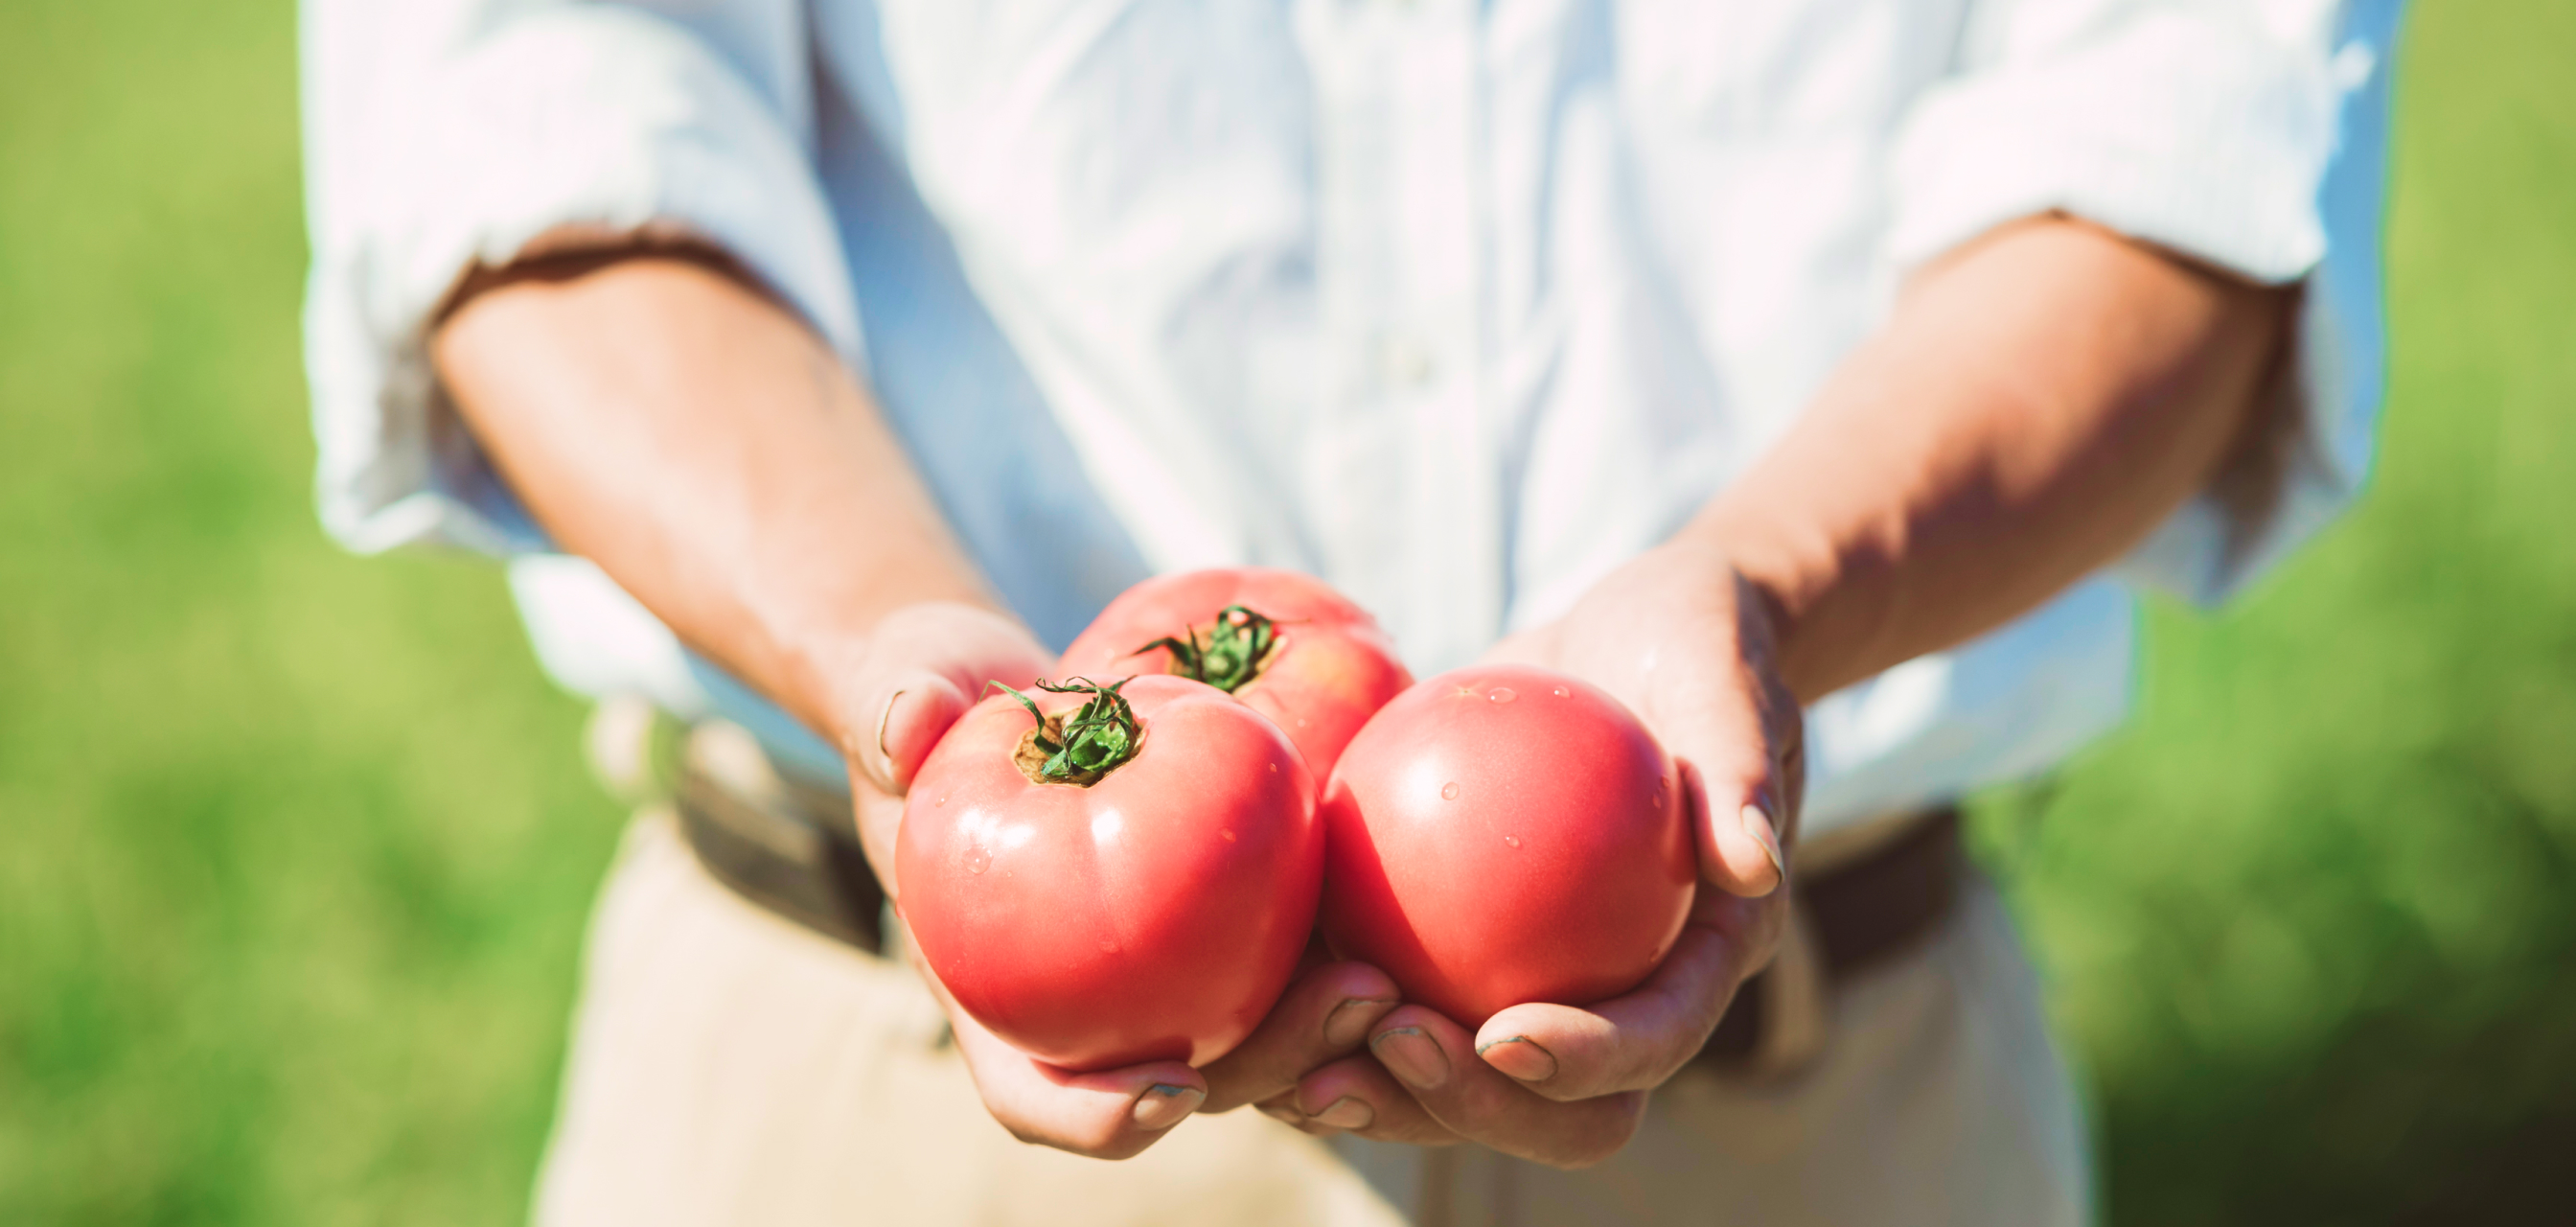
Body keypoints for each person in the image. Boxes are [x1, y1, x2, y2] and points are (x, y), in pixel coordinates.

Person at [301, 0, 2401, 1221]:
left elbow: (2186, 160)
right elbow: (520, 129)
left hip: (1811, 1112)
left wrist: (1766, 592)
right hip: (863, 1102)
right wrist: (887, 650)